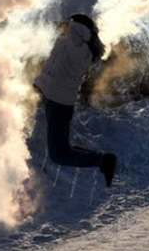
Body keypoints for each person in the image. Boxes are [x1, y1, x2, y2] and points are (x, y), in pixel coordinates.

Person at [33, 13, 117, 187]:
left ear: (79, 29)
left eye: (71, 25)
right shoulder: (71, 45)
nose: (67, 27)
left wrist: (74, 17)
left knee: (58, 155)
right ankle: (101, 160)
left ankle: (103, 161)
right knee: (61, 150)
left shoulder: (81, 51)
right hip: (54, 99)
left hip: (58, 104)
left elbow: (73, 31)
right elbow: (53, 64)